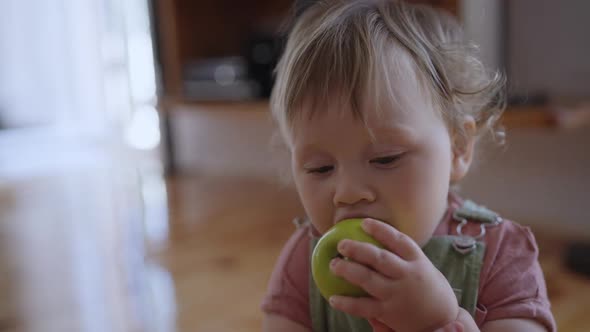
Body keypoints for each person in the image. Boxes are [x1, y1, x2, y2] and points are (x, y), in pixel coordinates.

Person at [261, 0, 556, 331]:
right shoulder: (304, 260)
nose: (347, 193)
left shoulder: (500, 256)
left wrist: (438, 322)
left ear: (458, 147)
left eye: (385, 158)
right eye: (320, 168)